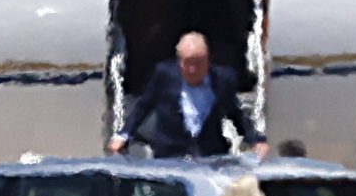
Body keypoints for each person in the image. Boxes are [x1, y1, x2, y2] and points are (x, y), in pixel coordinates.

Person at [107, 32, 269, 159]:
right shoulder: (164, 75)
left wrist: (256, 140)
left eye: (198, 62)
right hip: (170, 155)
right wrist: (123, 135)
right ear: (179, 61)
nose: (192, 69)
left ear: (207, 59)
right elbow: (143, 106)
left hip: (209, 156)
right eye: (187, 63)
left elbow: (235, 113)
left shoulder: (222, 79)